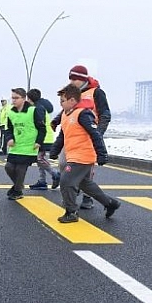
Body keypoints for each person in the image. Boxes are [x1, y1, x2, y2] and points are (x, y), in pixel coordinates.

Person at [49, 84, 120, 223]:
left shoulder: (83, 114)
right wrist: (54, 150)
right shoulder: (65, 115)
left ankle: (71, 212)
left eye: (63, 101)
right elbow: (62, 136)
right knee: (85, 184)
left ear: (72, 101)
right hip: (73, 155)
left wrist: (102, 154)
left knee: (65, 181)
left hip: (83, 156)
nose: (61, 104)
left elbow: (95, 134)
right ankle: (110, 204)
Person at [51, 65, 112, 207]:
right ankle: (72, 191)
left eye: (75, 79)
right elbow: (66, 110)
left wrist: (98, 133)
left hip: (89, 134)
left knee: (86, 170)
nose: (72, 81)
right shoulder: (72, 93)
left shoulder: (96, 92)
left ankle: (87, 197)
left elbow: (105, 114)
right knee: (63, 163)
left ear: (83, 79)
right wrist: (56, 120)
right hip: (72, 135)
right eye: (70, 78)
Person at [3, 88, 47, 200]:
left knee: (20, 169)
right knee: (9, 167)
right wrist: (9, 138)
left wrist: (38, 142)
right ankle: (19, 185)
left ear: (23, 99)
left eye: (16, 98)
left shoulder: (33, 110)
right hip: (15, 146)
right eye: (12, 98)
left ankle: (17, 191)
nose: (13, 100)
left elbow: (42, 128)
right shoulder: (11, 112)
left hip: (29, 146)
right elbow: (8, 129)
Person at [26, 88, 60, 190]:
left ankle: (55, 174)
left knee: (39, 159)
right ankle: (42, 181)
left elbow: (39, 125)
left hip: (43, 138)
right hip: (45, 137)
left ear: (30, 98)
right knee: (39, 159)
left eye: (28, 98)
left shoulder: (38, 108)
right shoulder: (41, 106)